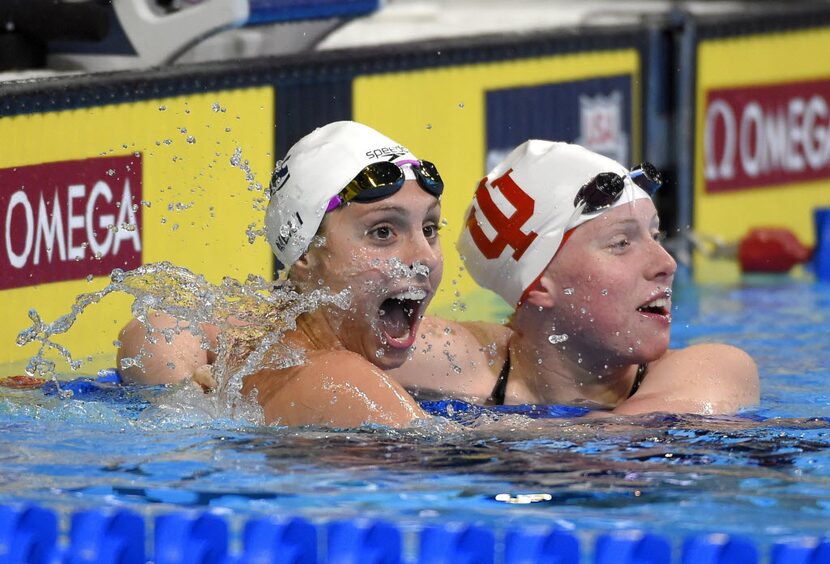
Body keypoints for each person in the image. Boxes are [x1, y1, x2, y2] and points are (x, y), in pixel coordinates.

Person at [389, 140, 760, 415]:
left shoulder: (715, 371)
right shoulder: (453, 360)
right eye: (621, 243)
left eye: (655, 235)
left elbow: (614, 450)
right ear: (539, 283)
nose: (666, 262)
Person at [117, 121, 445, 427]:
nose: (425, 257)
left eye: (429, 228)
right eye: (383, 232)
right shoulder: (342, 378)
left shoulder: (258, 347)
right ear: (304, 253)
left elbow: (156, 327)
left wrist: (180, 395)